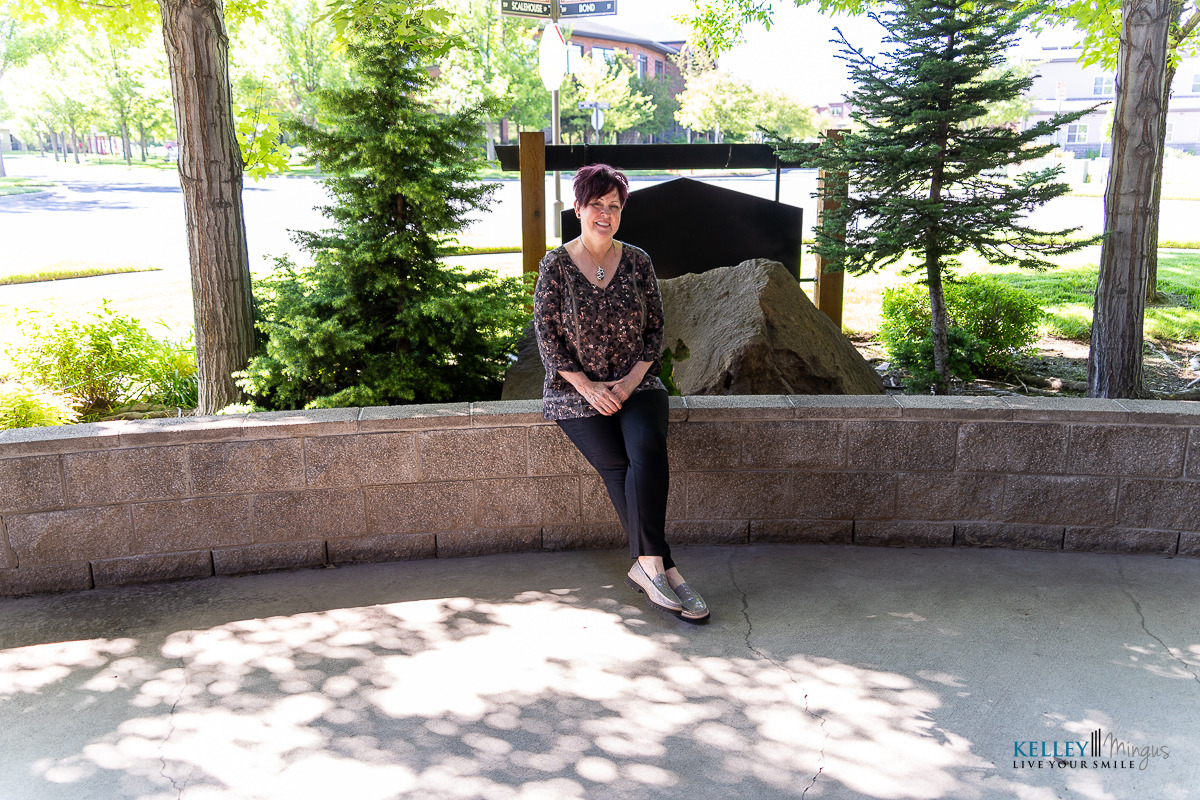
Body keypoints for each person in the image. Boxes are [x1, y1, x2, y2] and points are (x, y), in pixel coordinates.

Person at [533, 163, 709, 623]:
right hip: (574, 391)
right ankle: (663, 566)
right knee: (617, 466)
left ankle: (648, 566)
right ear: (578, 208)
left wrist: (629, 382)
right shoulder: (555, 266)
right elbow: (547, 337)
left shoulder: (638, 262)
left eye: (614, 206)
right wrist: (588, 387)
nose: (606, 214)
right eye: (597, 205)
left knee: (647, 448)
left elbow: (655, 330)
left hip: (638, 382)